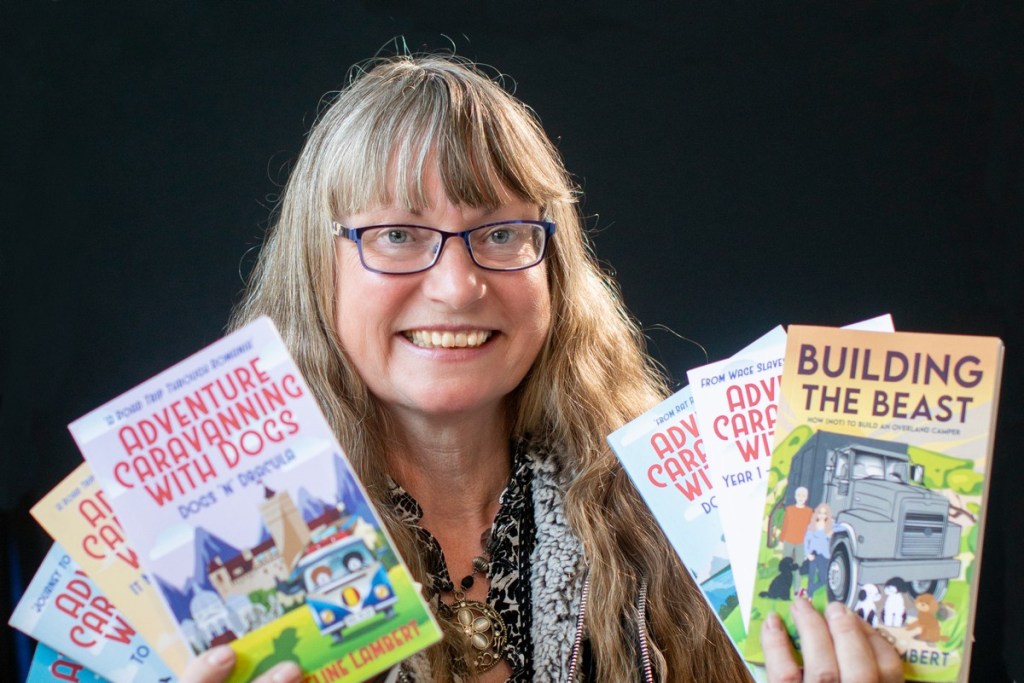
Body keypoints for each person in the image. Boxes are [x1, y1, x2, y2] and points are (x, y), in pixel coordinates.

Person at [182, 54, 903, 683]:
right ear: (317, 271)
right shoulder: (197, 557)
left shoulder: (693, 526)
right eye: (397, 234)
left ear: (555, 269)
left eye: (500, 232)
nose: (458, 286)